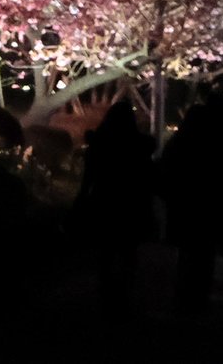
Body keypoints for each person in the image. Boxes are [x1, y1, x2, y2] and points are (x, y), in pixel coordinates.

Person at [159, 93, 223, 310]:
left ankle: (186, 294)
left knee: (191, 253)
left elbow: (167, 171)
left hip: (191, 206)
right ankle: (222, 294)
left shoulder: (187, 140)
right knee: (220, 253)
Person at [76, 100, 156, 314]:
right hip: (131, 203)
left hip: (105, 200)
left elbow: (89, 176)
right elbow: (148, 177)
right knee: (128, 250)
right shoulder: (140, 147)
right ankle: (124, 293)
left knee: (106, 250)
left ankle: (106, 292)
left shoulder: (99, 145)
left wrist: (82, 197)